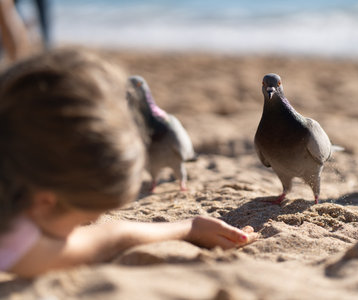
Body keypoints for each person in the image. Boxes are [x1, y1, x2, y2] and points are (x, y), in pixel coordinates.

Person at [0, 48, 256, 278]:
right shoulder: (12, 242)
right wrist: (188, 227)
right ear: (44, 202)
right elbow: (108, 239)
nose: (87, 226)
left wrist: (194, 225)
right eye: (85, 218)